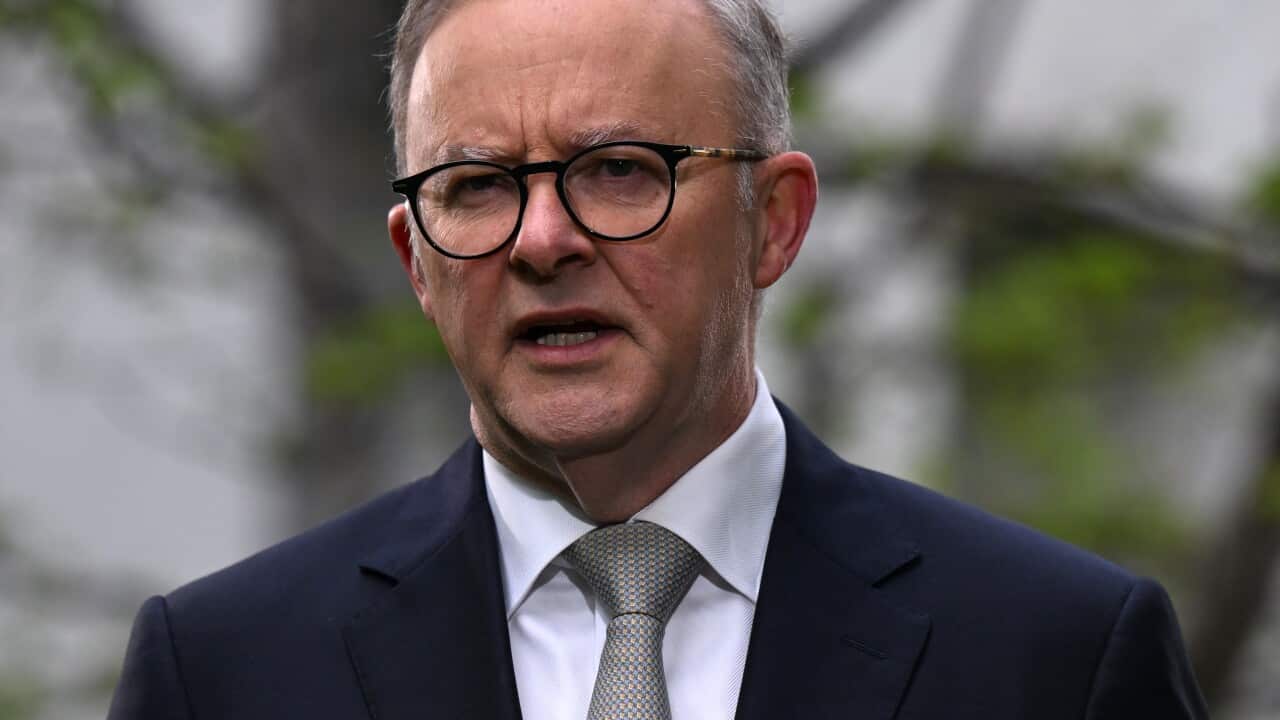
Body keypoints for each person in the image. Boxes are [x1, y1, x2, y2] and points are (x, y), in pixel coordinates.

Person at [107, 0, 1209, 718]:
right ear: (415, 261)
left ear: (771, 222)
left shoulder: (1054, 659)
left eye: (620, 170)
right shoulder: (223, 673)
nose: (542, 241)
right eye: (478, 188)